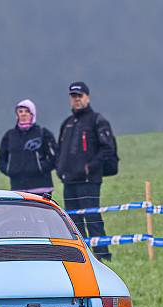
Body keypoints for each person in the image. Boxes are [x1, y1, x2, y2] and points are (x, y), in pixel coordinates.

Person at [56, 81, 116, 261]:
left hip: (89, 181)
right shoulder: (67, 123)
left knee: (92, 218)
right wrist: (60, 169)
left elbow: (107, 149)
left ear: (87, 97)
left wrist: (90, 167)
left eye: (80, 96)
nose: (77, 100)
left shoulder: (97, 120)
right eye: (73, 97)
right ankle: (81, 256)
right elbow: (60, 151)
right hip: (69, 181)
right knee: (73, 223)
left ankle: (103, 255)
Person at [0, 99, 57, 194]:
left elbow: (55, 157)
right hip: (18, 189)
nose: (23, 114)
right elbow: (1, 159)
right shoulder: (10, 135)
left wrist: (40, 168)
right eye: (20, 111)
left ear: (33, 114)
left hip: (42, 188)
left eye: (27, 111)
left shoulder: (43, 133)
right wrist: (9, 170)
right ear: (17, 115)